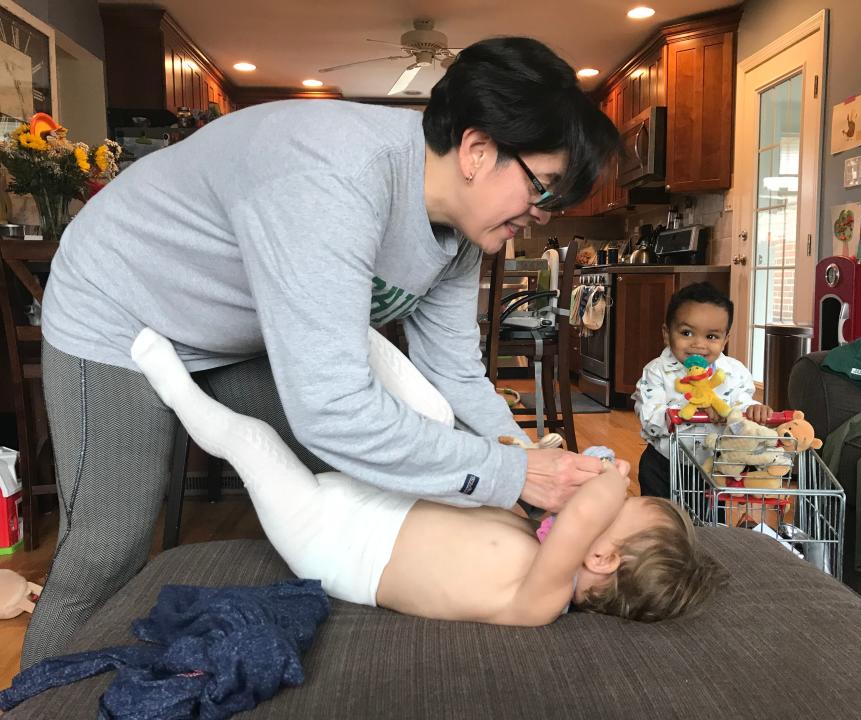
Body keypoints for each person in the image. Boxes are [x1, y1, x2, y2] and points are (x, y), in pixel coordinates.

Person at [26, 37, 620, 665]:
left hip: (238, 330)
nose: (543, 215)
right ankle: (31, 699)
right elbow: (333, 410)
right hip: (120, 308)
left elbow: (454, 374)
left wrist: (523, 459)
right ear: (477, 150)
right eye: (543, 188)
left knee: (353, 482)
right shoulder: (333, 176)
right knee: (108, 544)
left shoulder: (466, 234)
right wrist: (512, 477)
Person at [132, 327, 727, 624]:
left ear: (601, 558)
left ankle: (167, 379)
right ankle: (336, 327)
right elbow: (505, 481)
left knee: (253, 441)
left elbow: (585, 513)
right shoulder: (534, 538)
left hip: (330, 543)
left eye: (618, 507)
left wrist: (611, 476)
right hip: (377, 501)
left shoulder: (539, 599)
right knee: (438, 415)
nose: (608, 494)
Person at [632, 283, 775, 498]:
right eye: (687, 333)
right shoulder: (657, 371)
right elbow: (650, 418)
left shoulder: (733, 372)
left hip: (714, 467)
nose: (698, 344)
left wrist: (754, 410)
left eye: (711, 337)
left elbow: (740, 403)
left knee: (710, 528)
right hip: (665, 465)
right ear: (666, 333)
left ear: (725, 340)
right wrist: (693, 412)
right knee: (660, 525)